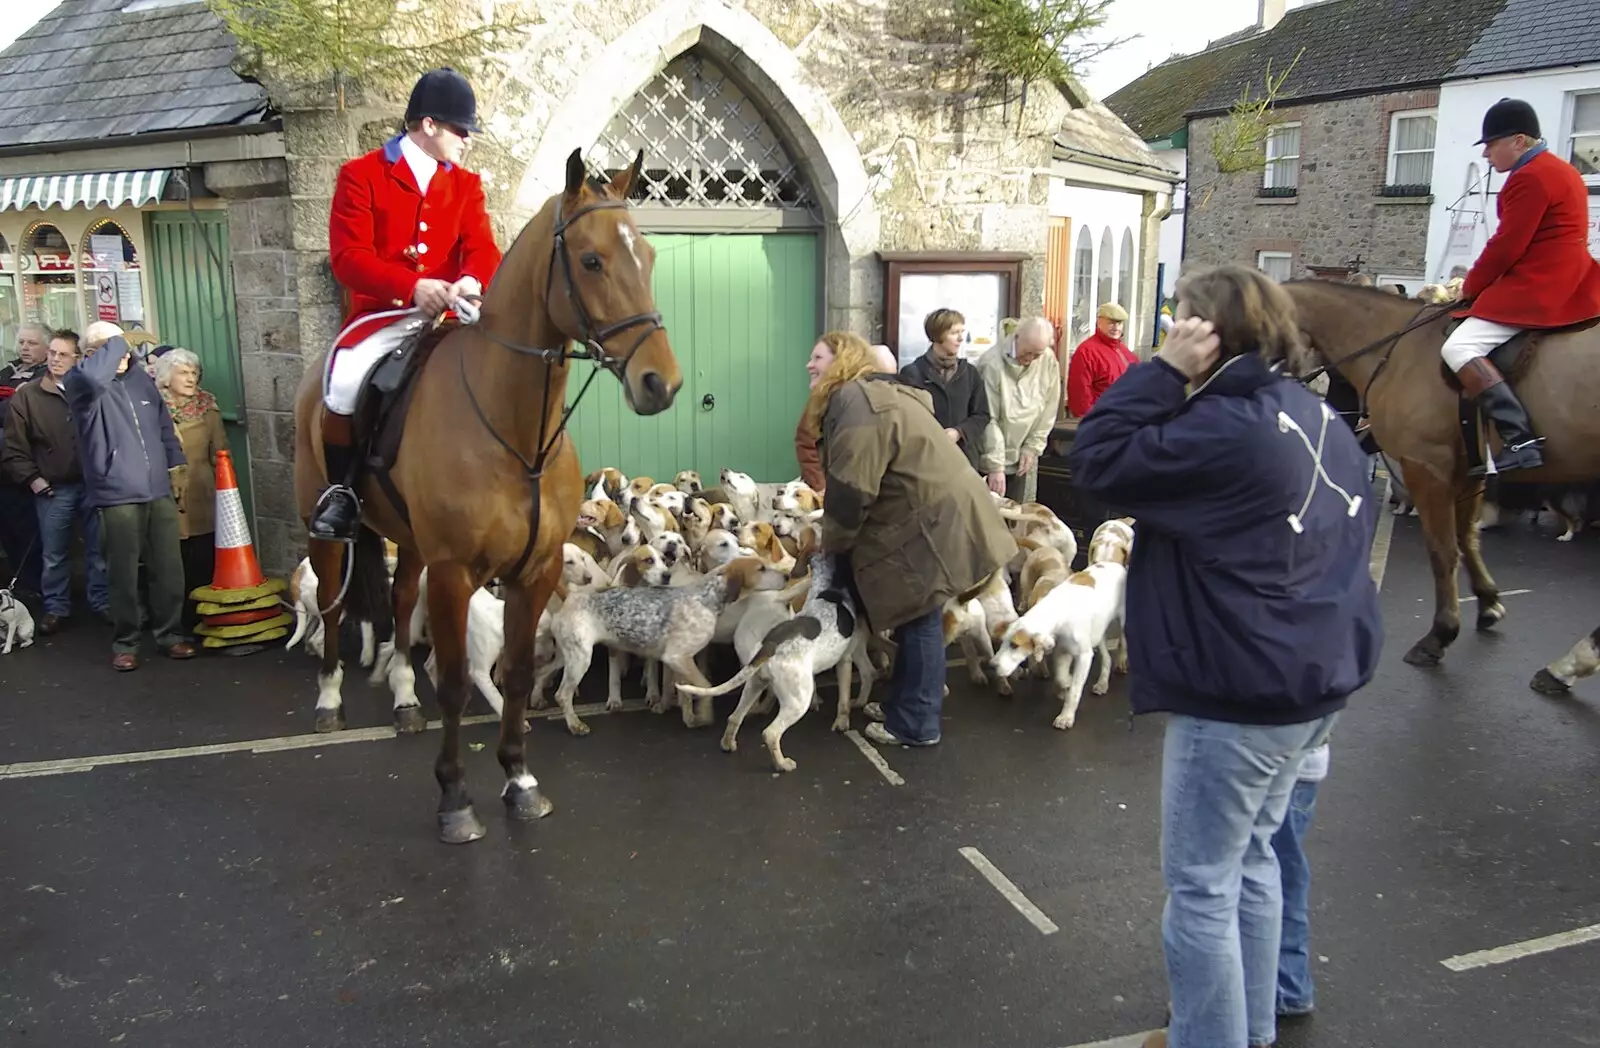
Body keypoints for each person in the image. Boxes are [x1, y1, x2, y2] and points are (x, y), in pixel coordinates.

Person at [1067, 265, 1381, 1048]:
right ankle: (1252, 1030)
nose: (1168, 333)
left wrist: (1164, 373)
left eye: (1178, 323)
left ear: (1204, 335)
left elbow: (1097, 460)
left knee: (1202, 886)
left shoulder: (1222, 427)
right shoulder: (1312, 411)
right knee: (1252, 866)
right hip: (1311, 684)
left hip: (1243, 692)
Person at [312, 67, 503, 541]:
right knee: (343, 378)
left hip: (451, 312)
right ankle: (343, 492)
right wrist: (411, 286)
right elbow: (348, 258)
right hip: (385, 313)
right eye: (461, 129)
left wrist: (468, 280)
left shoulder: (466, 184)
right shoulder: (361, 176)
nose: (467, 140)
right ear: (429, 125)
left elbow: (483, 248)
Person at [806, 333, 1015, 748]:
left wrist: (835, 542)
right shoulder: (870, 395)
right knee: (914, 614)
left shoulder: (855, 402)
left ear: (841, 361)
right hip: (936, 517)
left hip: (931, 522)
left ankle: (916, 723)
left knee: (920, 616)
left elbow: (852, 487)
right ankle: (904, 702)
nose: (809, 366)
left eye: (817, 357)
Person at [1441, 98, 1600, 475]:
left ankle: (1519, 439)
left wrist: (1472, 286)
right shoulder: (1564, 170)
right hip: (1574, 275)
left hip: (1541, 282)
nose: (1487, 154)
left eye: (1492, 144)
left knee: (1459, 345)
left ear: (1520, 140)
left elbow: (1507, 245)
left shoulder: (1529, 177)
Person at [67, 325, 195, 671]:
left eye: (125, 350)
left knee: (168, 568)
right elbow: (92, 380)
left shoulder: (142, 381)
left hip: (156, 489)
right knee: (122, 573)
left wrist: (177, 464)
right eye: (112, 350)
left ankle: (170, 634)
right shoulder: (83, 383)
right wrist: (120, 340)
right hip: (115, 493)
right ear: (92, 353)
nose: (123, 356)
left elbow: (163, 427)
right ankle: (126, 642)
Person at [1, 330, 108, 633]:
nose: (56, 360)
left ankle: (101, 602)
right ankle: (56, 608)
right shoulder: (28, 396)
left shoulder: (92, 392)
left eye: (63, 354)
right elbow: (13, 447)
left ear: (77, 359)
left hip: (92, 484)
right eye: (52, 354)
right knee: (54, 552)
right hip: (52, 487)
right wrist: (33, 479)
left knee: (99, 549)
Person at [155, 348, 229, 631]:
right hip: (164, 492)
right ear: (166, 377)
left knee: (202, 558)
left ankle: (203, 619)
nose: (190, 378)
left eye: (193, 373)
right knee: (169, 560)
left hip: (201, 493)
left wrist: (225, 491)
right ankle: (173, 623)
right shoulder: (153, 406)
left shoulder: (207, 407)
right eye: (182, 373)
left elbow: (220, 452)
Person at [1270, 740, 1329, 1021]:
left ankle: (1279, 989)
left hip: (1274, 755)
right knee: (1283, 873)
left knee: (1263, 879)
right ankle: (1290, 983)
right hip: (1303, 752)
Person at [898, 308, 993, 475]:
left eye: (962, 332)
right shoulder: (913, 373)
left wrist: (959, 432)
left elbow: (982, 415)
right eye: (954, 332)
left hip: (963, 462)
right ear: (938, 335)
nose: (961, 338)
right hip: (926, 462)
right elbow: (905, 419)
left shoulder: (970, 373)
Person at [977, 317, 1061, 501]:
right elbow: (987, 417)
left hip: (1020, 456)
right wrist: (995, 465)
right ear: (1017, 337)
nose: (1030, 359)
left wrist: (1033, 447)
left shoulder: (1047, 359)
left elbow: (1049, 407)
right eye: (1027, 352)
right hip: (990, 458)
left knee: (1014, 521)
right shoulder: (991, 363)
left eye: (1036, 355)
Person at [0, 321, 50, 595]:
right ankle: (19, 586)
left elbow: (24, 414)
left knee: (30, 528)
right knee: (8, 527)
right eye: (22, 342)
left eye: (32, 343)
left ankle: (35, 585)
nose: (25, 348)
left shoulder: (46, 376)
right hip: (3, 470)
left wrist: (11, 405)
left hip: (29, 466)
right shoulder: (7, 373)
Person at [1067, 302, 1138, 418]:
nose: (1116, 327)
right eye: (1111, 323)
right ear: (1099, 323)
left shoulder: (1126, 353)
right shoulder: (1086, 352)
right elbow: (1080, 396)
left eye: (1119, 323)